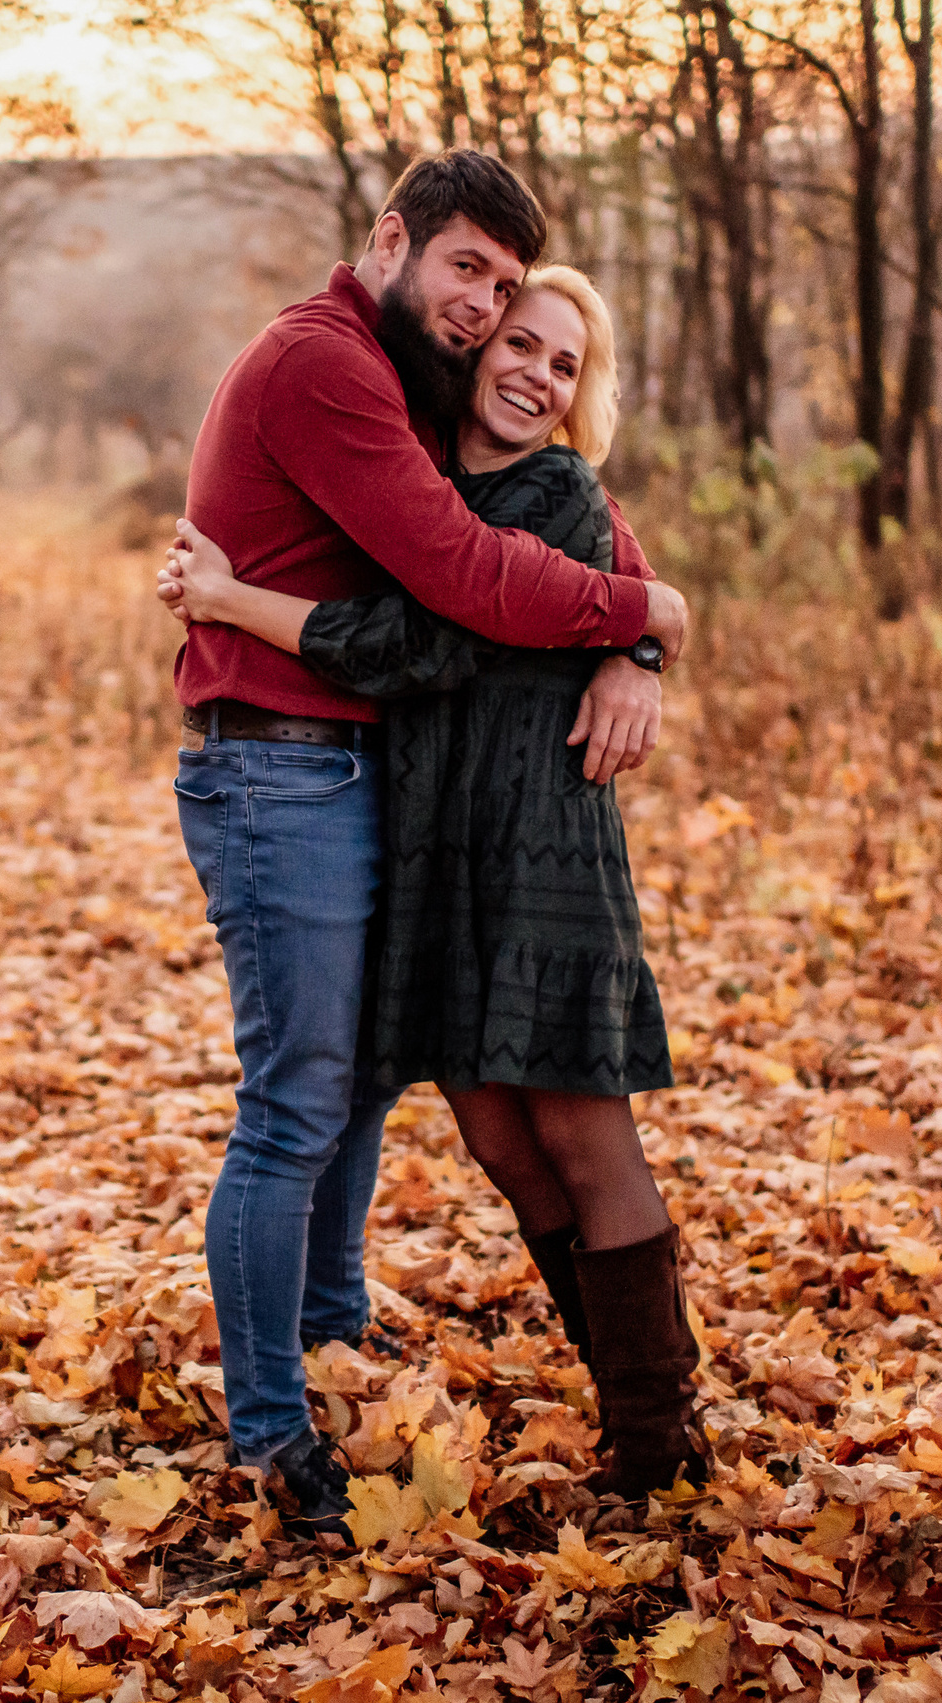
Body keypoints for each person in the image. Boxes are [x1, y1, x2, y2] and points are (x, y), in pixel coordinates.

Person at [168, 150, 691, 1537]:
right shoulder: (339, 368)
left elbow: (556, 549)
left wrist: (646, 632)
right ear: (393, 242)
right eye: (478, 284)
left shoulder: (472, 426)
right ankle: (282, 1418)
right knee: (337, 1107)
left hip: (495, 833)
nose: (494, 323)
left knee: (418, 1105)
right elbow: (452, 588)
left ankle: (637, 1427)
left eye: (519, 305)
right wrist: (642, 616)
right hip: (311, 779)